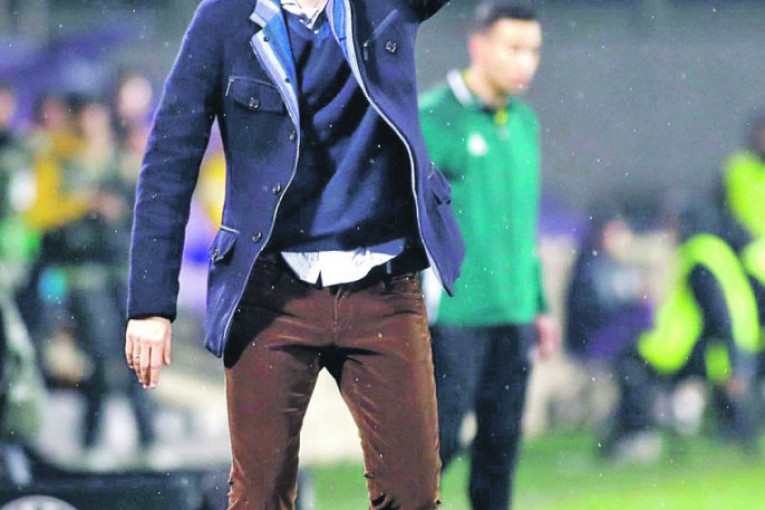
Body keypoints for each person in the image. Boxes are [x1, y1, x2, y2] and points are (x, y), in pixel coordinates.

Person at [124, 0, 465, 508]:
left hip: (383, 285)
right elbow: (170, 156)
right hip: (269, 291)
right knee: (259, 497)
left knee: (412, 497)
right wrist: (150, 305)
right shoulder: (224, 18)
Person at [418, 3, 560, 509]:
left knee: (500, 453)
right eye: (513, 48)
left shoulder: (524, 123)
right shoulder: (433, 116)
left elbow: (522, 223)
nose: (526, 62)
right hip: (455, 316)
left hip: (514, 314)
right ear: (478, 46)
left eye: (533, 51)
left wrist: (539, 303)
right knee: (436, 444)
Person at [27, 95, 157, 459]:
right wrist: (85, 203)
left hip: (124, 271)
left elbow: (149, 203)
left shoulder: (122, 161)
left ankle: (148, 440)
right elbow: (41, 214)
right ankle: (91, 441)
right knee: (101, 356)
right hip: (82, 274)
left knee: (137, 356)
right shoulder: (59, 163)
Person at [604, 202, 761, 458]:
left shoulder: (698, 256)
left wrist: (736, 363)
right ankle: (736, 445)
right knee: (733, 407)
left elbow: (716, 308)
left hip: (687, 344)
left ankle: (638, 439)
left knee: (633, 369)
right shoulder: (714, 250)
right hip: (735, 338)